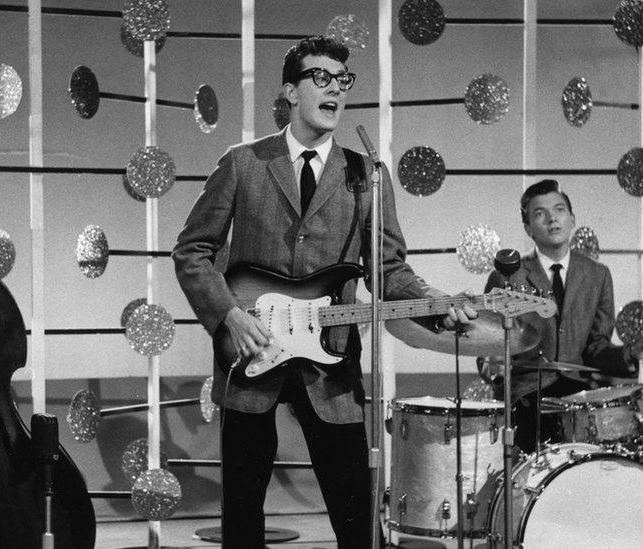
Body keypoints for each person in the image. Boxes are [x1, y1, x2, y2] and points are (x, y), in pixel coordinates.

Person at [172, 36, 476, 548]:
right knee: (242, 517)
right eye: (320, 78)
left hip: (330, 366)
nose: (334, 88)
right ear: (290, 91)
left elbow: (388, 270)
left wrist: (437, 305)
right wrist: (228, 315)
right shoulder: (243, 163)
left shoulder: (367, 174)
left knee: (355, 515)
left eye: (343, 80)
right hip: (250, 357)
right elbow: (192, 251)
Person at [480, 178, 643, 541]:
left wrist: (631, 353)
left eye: (559, 211)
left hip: (581, 396)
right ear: (528, 227)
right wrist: (491, 363)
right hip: (527, 396)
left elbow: (597, 349)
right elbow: (488, 345)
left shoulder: (598, 275)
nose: (552, 220)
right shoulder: (508, 276)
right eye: (540, 214)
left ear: (572, 219)